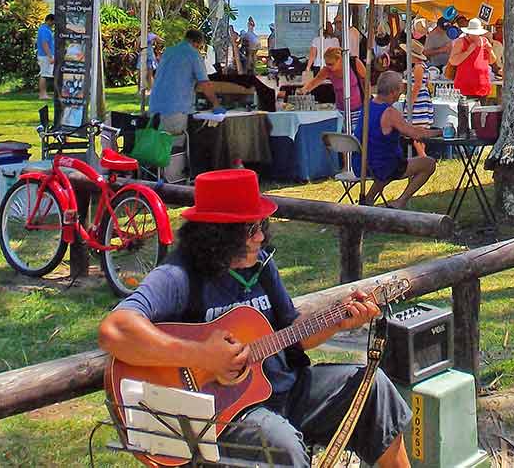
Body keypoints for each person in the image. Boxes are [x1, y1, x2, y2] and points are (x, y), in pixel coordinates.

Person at [98, 169, 412, 468]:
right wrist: (201, 354)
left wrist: (336, 321)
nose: (261, 236)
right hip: (223, 415)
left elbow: (292, 333)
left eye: (262, 224)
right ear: (217, 234)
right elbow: (114, 330)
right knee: (283, 447)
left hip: (283, 390)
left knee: (373, 388)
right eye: (251, 228)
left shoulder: (259, 266)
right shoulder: (178, 276)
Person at [352, 71, 440, 208]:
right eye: (400, 89)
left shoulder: (368, 106)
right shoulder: (390, 113)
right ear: (393, 92)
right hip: (382, 165)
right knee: (429, 164)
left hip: (361, 164)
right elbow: (416, 134)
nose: (401, 93)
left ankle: (369, 199)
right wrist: (438, 132)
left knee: (387, 161)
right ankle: (401, 201)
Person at [149, 29, 224, 135]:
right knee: (172, 146)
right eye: (200, 46)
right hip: (174, 110)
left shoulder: (168, 51)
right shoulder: (193, 54)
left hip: (154, 106)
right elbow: (205, 83)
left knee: (156, 145)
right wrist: (216, 104)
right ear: (196, 43)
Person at [299, 47, 366, 133]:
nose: (328, 66)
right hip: (340, 109)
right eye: (326, 64)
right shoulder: (327, 70)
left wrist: (368, 101)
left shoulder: (354, 63)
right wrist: (303, 90)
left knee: (357, 135)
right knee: (343, 135)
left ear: (340, 60)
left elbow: (366, 81)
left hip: (358, 108)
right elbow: (314, 82)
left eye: (331, 64)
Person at [449, 18, 496, 100]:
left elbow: (492, 61)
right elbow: (453, 61)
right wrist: (468, 51)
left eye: (477, 33)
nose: (475, 35)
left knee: (481, 112)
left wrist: (490, 50)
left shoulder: (484, 41)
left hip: (482, 87)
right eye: (473, 33)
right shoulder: (461, 42)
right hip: (465, 88)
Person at [401, 40, 434, 158]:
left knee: (415, 132)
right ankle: (422, 156)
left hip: (418, 100)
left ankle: (423, 156)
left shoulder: (418, 68)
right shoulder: (423, 67)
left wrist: (411, 102)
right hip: (422, 98)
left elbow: (417, 85)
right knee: (419, 134)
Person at [36, 14, 55, 100]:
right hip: (45, 56)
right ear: (50, 20)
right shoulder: (44, 30)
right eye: (53, 22)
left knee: (46, 74)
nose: (54, 24)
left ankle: (44, 93)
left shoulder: (46, 29)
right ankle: (42, 94)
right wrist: (50, 56)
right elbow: (44, 44)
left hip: (45, 55)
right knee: (44, 74)